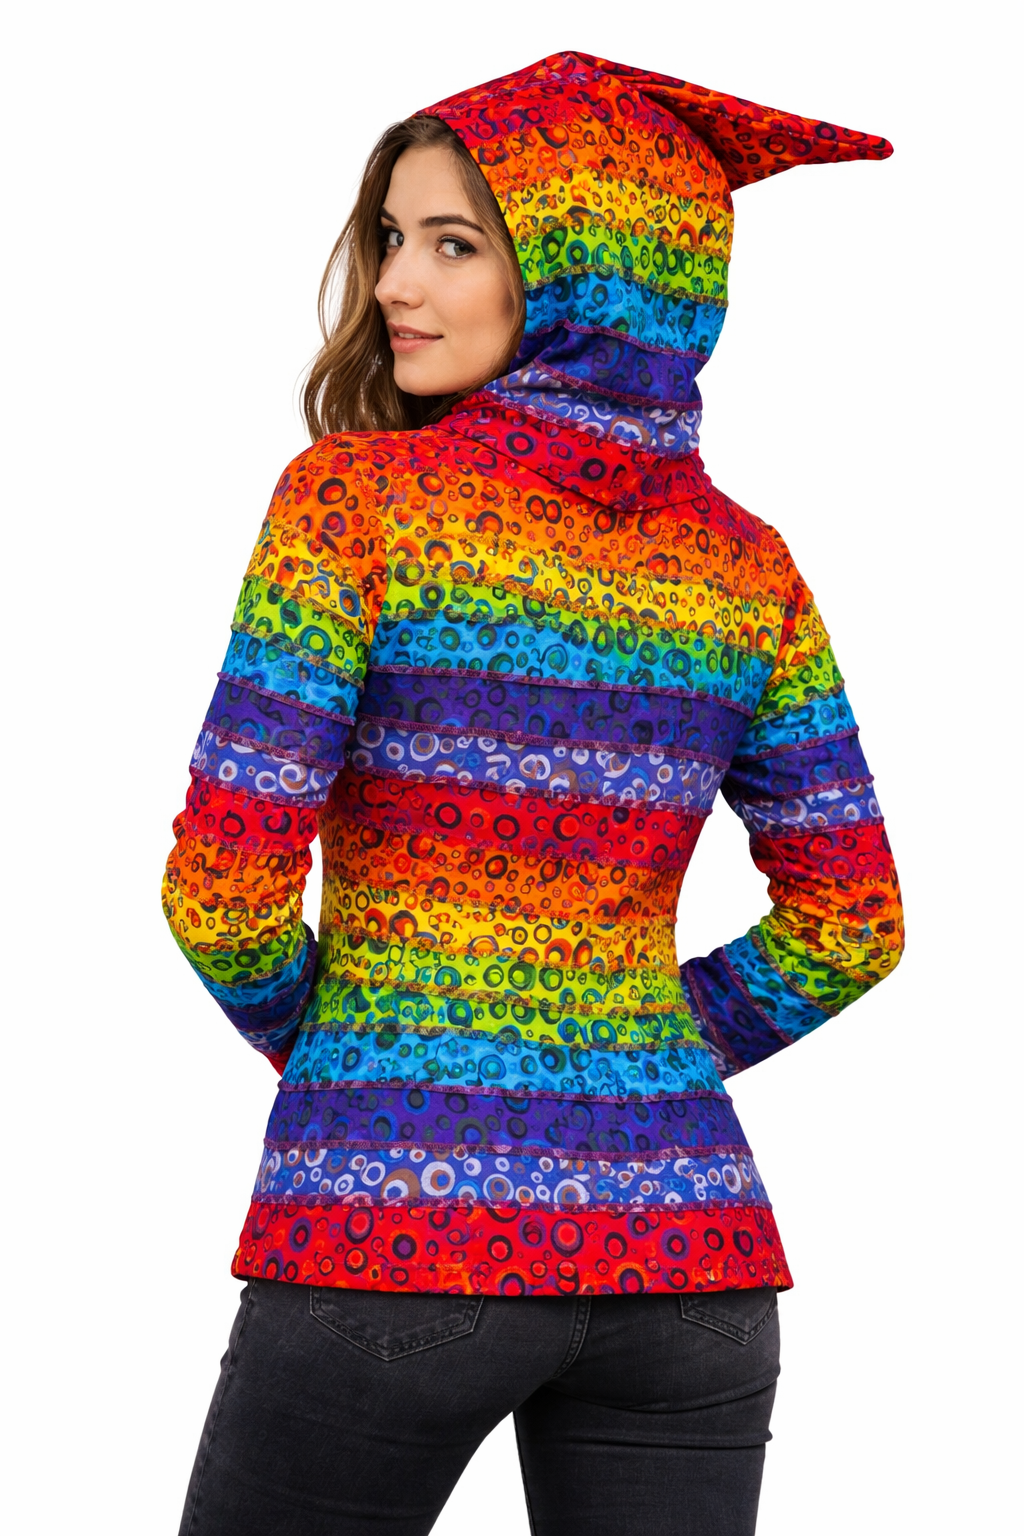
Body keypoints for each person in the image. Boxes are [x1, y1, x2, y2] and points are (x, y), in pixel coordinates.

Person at [165, 51, 903, 1536]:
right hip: (687, 1258)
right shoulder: (746, 570)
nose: (394, 283)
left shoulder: (355, 504)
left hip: (394, 1227)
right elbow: (854, 922)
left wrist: (371, 1058)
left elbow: (221, 890)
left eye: (454, 243)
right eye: (391, 236)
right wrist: (635, 1057)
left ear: (591, 271)